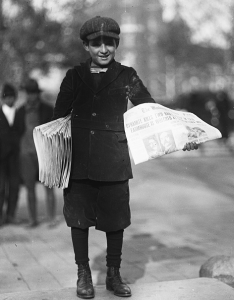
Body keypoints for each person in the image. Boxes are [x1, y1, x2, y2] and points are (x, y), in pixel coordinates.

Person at [52, 16, 198, 299]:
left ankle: (113, 274)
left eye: (109, 43)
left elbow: (151, 111)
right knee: (78, 219)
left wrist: (183, 136)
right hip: (78, 160)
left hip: (114, 159)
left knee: (116, 219)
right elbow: (57, 119)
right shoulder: (74, 76)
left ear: (116, 45)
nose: (103, 49)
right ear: (86, 46)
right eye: (96, 44)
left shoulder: (127, 76)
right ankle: (83, 274)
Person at [20, 78, 56, 228]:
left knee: (48, 186)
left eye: (34, 93)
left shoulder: (48, 109)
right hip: (26, 154)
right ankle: (33, 219)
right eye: (29, 93)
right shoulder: (20, 111)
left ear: (38, 94)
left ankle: (51, 218)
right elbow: (16, 132)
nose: (31, 96)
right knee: (29, 188)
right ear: (26, 94)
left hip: (44, 153)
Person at [0, 83, 25, 226]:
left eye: (11, 97)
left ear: (15, 98)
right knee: (1, 188)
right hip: (1, 158)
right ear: (3, 99)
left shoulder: (20, 112)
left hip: (15, 157)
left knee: (14, 186)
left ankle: (11, 215)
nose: (9, 100)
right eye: (7, 97)